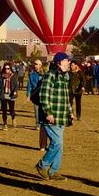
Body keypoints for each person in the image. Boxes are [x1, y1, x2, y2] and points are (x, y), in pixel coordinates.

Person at [35, 53, 74, 181]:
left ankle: (54, 171)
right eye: (66, 60)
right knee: (57, 143)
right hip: (52, 116)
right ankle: (42, 165)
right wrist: (48, 112)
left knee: (59, 145)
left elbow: (66, 97)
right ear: (59, 62)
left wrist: (70, 111)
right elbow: (44, 95)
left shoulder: (65, 77)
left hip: (62, 116)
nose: (68, 62)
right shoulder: (50, 75)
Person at [0, 62, 19, 129]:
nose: (7, 70)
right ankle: (5, 123)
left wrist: (15, 91)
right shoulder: (2, 76)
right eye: (5, 68)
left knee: (11, 110)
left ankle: (13, 118)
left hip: (11, 95)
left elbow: (16, 85)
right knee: (4, 110)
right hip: (4, 95)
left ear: (10, 69)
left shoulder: (13, 76)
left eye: (8, 68)